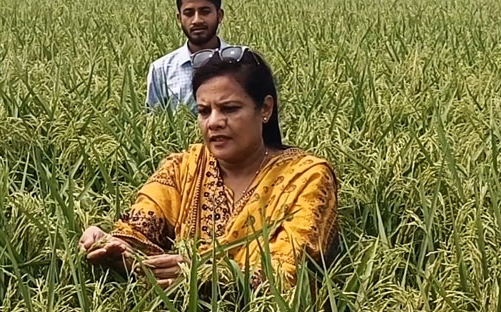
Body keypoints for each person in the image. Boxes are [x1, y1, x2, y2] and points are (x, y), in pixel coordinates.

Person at [83, 46, 339, 288]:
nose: (214, 122)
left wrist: (208, 277)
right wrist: (111, 245)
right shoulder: (183, 168)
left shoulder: (307, 177)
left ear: (265, 109)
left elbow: (291, 270)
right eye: (204, 111)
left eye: (229, 109)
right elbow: (138, 231)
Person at [146, 0, 227, 112]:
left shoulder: (242, 61)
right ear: (179, 18)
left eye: (205, 12)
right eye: (189, 13)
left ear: (219, 15)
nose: (196, 20)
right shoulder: (161, 70)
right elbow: (154, 123)